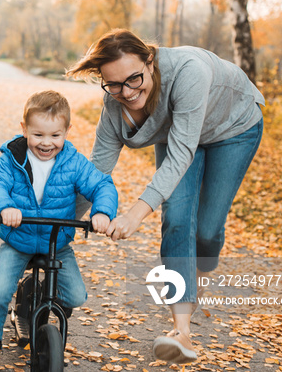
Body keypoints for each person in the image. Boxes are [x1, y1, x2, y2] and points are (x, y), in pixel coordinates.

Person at [66, 28, 264, 364]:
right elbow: (97, 171)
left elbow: (181, 155)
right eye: (113, 84)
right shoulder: (115, 105)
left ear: (150, 61)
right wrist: (61, 223)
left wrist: (133, 214)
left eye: (133, 79)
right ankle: (182, 331)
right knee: (176, 218)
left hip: (233, 127)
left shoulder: (188, 72)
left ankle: (199, 272)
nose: (126, 92)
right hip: (180, 132)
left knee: (206, 231)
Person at [0, 90, 118, 371]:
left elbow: (102, 185)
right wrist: (4, 207)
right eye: (38, 135)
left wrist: (101, 212)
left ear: (67, 131)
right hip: (19, 239)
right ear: (24, 129)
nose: (46, 143)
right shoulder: (12, 159)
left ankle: (36, 299)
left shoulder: (73, 163)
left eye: (54, 135)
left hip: (56, 242)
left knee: (74, 296)